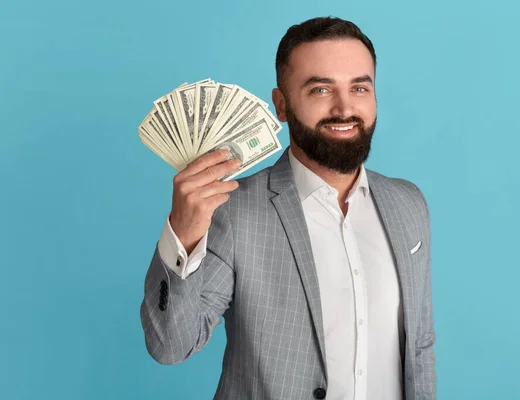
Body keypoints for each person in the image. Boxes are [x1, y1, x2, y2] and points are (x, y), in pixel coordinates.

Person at [140, 16, 436, 400]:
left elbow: (420, 345)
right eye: (320, 90)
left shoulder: (409, 204)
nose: (344, 108)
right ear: (281, 105)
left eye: (360, 88)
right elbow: (170, 346)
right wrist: (182, 233)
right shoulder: (233, 208)